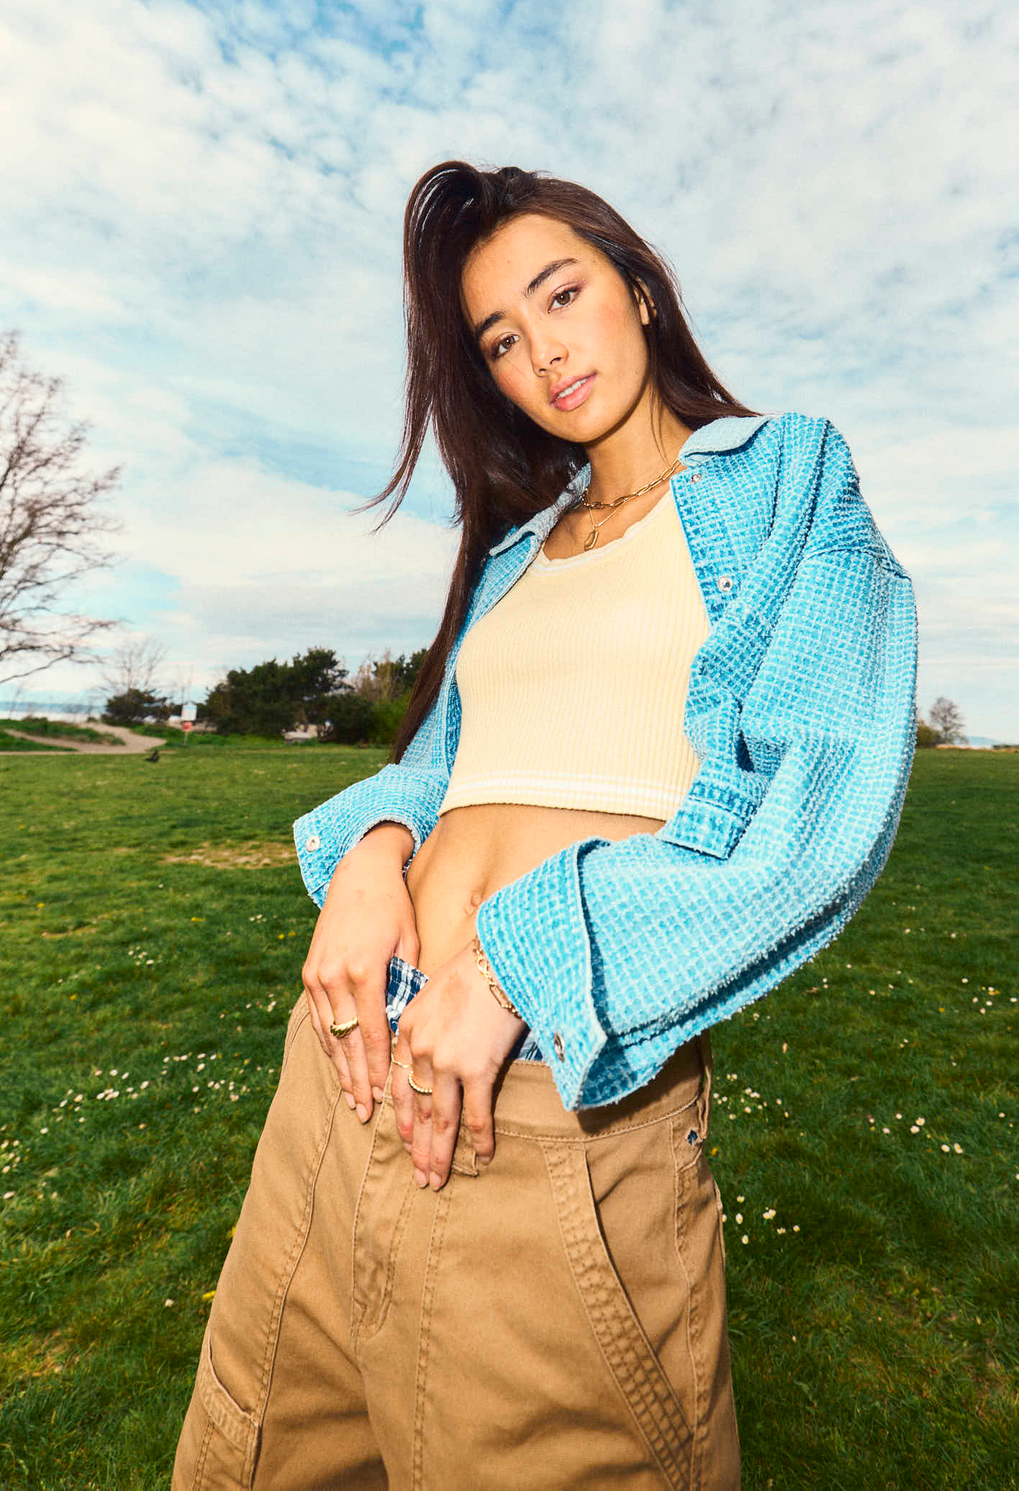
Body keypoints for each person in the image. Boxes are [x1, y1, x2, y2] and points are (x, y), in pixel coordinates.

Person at [173, 161, 918, 1491]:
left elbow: (820, 803)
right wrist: (373, 859)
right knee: (247, 1458)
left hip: (548, 1116)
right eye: (500, 339)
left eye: (559, 293)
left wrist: (524, 961)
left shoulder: (781, 480)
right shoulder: (519, 554)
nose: (541, 351)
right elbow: (447, 764)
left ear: (636, 284)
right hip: (342, 1078)